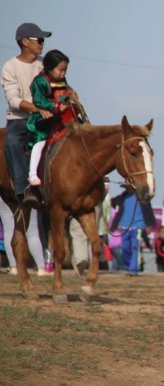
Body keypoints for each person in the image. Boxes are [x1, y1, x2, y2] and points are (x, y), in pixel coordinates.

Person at [1, 23, 52, 205]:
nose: (42, 43)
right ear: (25, 42)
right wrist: (38, 109)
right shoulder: (10, 67)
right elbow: (13, 100)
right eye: (39, 40)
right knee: (13, 142)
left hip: (47, 118)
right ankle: (24, 189)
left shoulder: (45, 64)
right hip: (20, 120)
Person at [26, 49, 75, 186]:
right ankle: (32, 174)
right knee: (40, 142)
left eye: (65, 70)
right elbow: (38, 100)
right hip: (42, 120)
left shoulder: (62, 80)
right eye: (60, 70)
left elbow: (66, 90)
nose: (63, 73)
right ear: (49, 68)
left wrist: (71, 95)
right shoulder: (39, 81)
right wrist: (56, 107)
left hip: (60, 118)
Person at [110, 184, 156, 276]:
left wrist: (148, 226)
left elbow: (148, 211)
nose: (128, 189)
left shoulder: (143, 198)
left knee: (135, 247)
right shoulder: (122, 197)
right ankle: (128, 266)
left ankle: (133, 269)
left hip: (138, 227)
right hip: (124, 227)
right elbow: (111, 202)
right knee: (125, 248)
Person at [0, 195, 50, 276]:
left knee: (8, 230)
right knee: (32, 232)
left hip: (2, 196)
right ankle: (41, 268)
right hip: (23, 194)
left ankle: (13, 267)